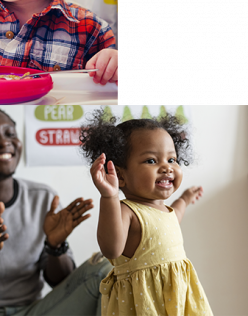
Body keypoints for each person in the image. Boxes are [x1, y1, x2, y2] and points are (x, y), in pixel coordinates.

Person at [0, 105, 111, 316]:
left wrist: (55, 246)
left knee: (105, 269)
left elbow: (63, 283)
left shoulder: (43, 198)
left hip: (34, 312)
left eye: (10, 134)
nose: (3, 142)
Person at [79, 109, 213, 316]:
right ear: (120, 176)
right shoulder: (127, 211)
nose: (167, 168)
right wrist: (109, 197)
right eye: (152, 161)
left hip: (177, 302)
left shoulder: (163, 210)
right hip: (144, 305)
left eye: (172, 160)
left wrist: (184, 200)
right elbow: (112, 249)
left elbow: (173, 219)